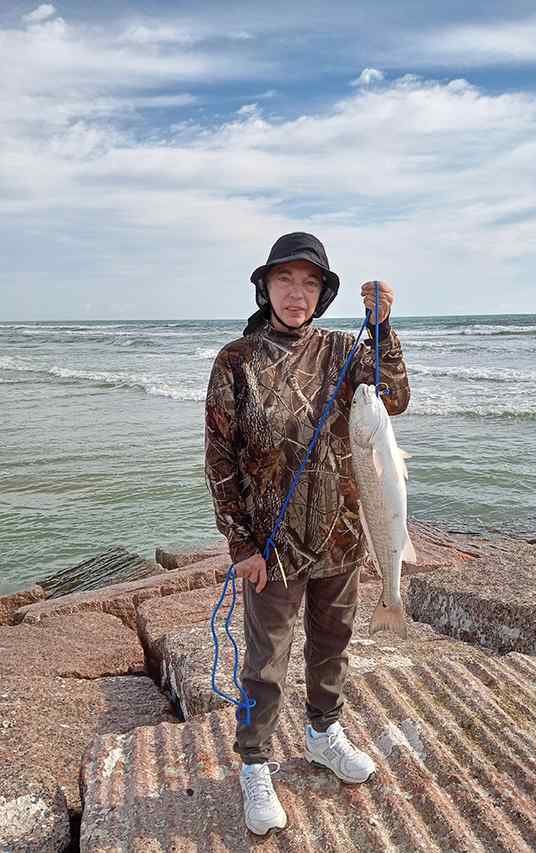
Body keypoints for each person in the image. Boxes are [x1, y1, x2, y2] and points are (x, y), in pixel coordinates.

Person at [204, 232, 410, 835]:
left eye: (310, 283)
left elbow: (393, 399)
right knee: (264, 663)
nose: (297, 293)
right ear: (265, 287)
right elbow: (220, 460)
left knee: (332, 645)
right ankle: (255, 764)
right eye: (285, 281)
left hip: (342, 539)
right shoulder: (235, 360)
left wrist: (384, 327)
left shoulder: (345, 351)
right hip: (271, 550)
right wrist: (241, 546)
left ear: (323, 294)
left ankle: (323, 733)